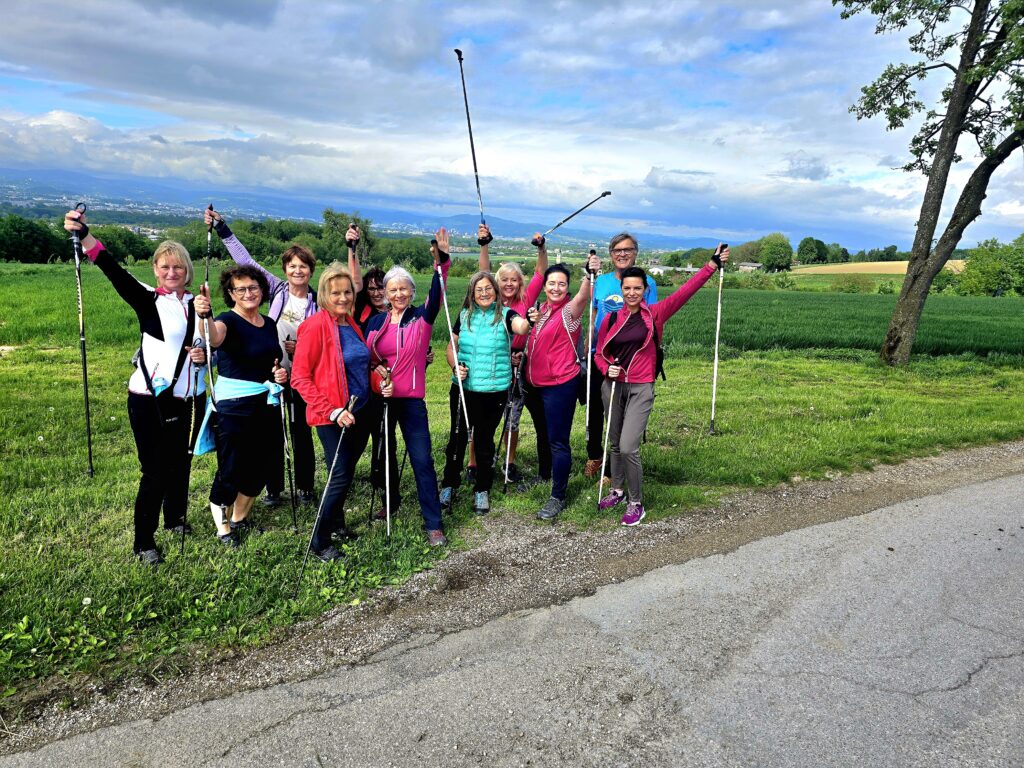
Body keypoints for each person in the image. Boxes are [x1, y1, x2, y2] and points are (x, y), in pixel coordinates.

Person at [63, 209, 206, 566]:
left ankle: (175, 520)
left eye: (178, 267)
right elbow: (112, 269)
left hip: (191, 397)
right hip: (150, 399)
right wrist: (83, 235)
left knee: (182, 463)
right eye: (164, 267)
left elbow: (211, 343)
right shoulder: (148, 299)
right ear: (156, 270)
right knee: (156, 469)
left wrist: (205, 355)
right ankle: (144, 542)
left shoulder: (198, 303)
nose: (172, 273)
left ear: (187, 270)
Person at [595, 245, 730, 526]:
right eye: (627, 288)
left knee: (629, 446)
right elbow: (599, 354)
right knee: (615, 442)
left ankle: (636, 503)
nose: (632, 293)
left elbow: (684, 293)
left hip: (641, 387)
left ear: (645, 290)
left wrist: (711, 265)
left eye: (637, 288)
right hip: (613, 387)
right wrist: (606, 368)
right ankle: (617, 490)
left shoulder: (655, 314)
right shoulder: (610, 318)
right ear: (621, 288)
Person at [207, 208, 317, 507]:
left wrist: (303, 348)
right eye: (292, 266)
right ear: (285, 269)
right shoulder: (276, 289)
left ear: (311, 271)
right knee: (273, 432)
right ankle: (273, 487)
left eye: (303, 267)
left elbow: (322, 338)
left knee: (300, 429)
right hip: (268, 371)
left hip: (301, 371)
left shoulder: (317, 301)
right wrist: (222, 229)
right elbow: (246, 262)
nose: (297, 271)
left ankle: (306, 485)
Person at [365, 229, 451, 546]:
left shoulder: (422, 318)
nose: (398, 294)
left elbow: (438, 289)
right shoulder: (375, 322)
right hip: (382, 399)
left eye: (404, 289)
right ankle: (392, 500)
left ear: (411, 292)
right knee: (384, 456)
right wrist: (377, 372)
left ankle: (433, 523)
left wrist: (441, 261)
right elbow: (367, 358)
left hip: (412, 402)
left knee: (422, 460)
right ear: (385, 294)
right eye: (393, 289)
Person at [194, 266, 289, 547]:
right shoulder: (226, 321)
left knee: (265, 464)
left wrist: (278, 374)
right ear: (231, 294)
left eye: (254, 288)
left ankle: (240, 518)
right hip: (234, 406)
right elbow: (213, 338)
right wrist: (204, 315)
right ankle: (223, 528)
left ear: (262, 291)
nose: (248, 293)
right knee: (232, 467)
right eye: (241, 289)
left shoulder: (269, 324)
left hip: (266, 402)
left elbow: (270, 361)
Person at [291, 262, 371, 562]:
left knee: (347, 471)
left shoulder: (349, 323)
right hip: (334, 415)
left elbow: (358, 362)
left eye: (347, 292)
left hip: (359, 410)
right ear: (324, 294)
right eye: (335, 293)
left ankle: (337, 525)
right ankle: (319, 540)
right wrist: (333, 410)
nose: (342, 298)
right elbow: (300, 377)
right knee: (338, 474)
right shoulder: (314, 326)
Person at [439, 270, 532, 514]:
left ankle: (482, 489)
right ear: (472, 293)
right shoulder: (463, 316)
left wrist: (530, 320)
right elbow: (451, 346)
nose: (484, 293)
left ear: (496, 291)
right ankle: (449, 484)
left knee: (483, 442)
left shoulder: (505, 315)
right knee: (457, 440)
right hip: (463, 388)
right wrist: (454, 365)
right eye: (479, 289)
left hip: (494, 390)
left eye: (488, 289)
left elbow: (520, 327)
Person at [523, 249, 602, 520]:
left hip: (560, 385)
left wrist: (589, 273)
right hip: (536, 384)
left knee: (558, 441)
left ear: (566, 287)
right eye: (551, 283)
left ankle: (557, 495)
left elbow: (584, 296)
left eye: (561, 284)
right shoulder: (542, 310)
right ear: (544, 287)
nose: (556, 288)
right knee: (544, 436)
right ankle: (546, 474)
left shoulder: (569, 311)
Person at [475, 223, 548, 486]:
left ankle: (509, 461)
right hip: (490, 364)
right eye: (503, 279)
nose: (508, 283)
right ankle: (475, 462)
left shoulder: (526, 298)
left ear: (520, 283)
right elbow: (482, 271)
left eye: (513, 279)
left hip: (518, 365)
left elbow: (542, 270)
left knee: (512, 416)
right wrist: (484, 244)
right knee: (482, 416)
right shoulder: (489, 298)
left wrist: (541, 248)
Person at [586, 233, 658, 479]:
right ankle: (595, 456)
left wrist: (653, 352)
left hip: (632, 359)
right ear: (611, 254)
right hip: (601, 356)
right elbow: (592, 315)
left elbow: (654, 319)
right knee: (597, 409)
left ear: (635, 252)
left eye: (627, 249)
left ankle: (616, 465)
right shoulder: (601, 281)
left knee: (623, 414)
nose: (622, 254)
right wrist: (587, 346)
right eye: (617, 250)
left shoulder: (646, 282)